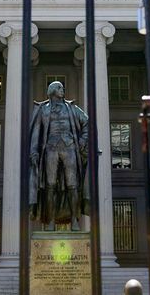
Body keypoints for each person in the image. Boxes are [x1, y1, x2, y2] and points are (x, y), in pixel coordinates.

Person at [29, 81, 89, 231]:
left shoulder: (72, 108)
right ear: (53, 91)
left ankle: (75, 221)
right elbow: (36, 132)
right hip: (50, 149)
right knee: (49, 186)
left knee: (72, 185)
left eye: (63, 87)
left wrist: (82, 140)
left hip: (70, 148)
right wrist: (34, 151)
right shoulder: (43, 110)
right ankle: (50, 222)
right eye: (60, 88)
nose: (63, 90)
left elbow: (87, 123)